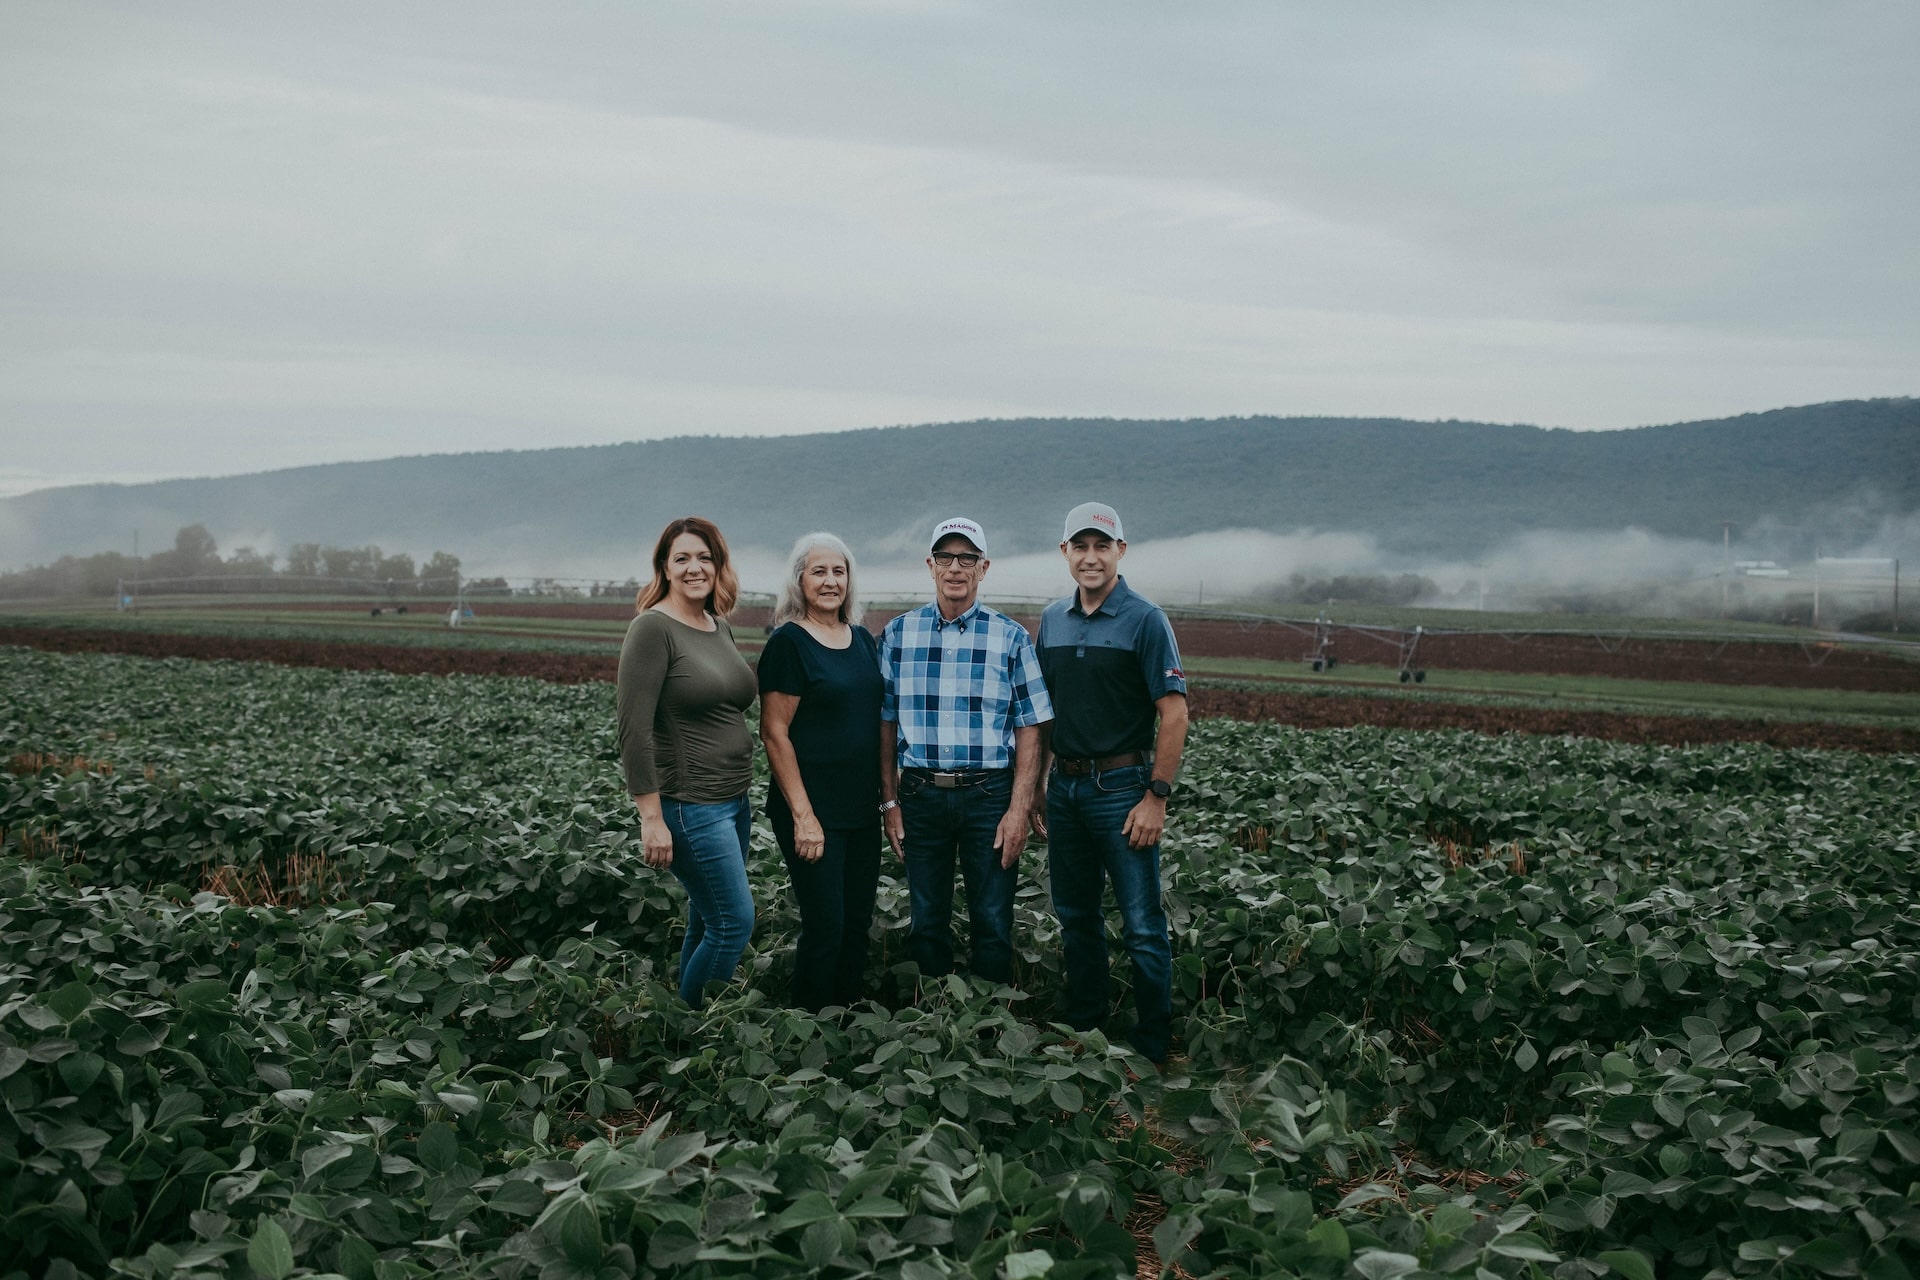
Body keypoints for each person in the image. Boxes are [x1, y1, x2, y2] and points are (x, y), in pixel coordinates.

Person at [1032, 502, 1189, 1063]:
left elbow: (1174, 713)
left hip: (1123, 789)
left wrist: (1157, 796)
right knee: (1076, 917)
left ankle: (1152, 1046)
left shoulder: (1146, 619)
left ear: (1121, 551)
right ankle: (1087, 1032)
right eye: (1081, 546)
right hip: (1067, 790)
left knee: (1143, 924)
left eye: (1103, 546)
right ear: (1065, 553)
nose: (1091, 557)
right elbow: (1043, 712)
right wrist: (1037, 786)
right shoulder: (1052, 619)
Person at [879, 516, 1053, 987]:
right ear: (930, 565)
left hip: (989, 795)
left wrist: (1018, 808)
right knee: (926, 921)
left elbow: (1032, 727)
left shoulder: (1011, 637)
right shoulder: (898, 635)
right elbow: (886, 724)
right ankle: (930, 1024)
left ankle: (990, 1034)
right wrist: (890, 802)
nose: (956, 567)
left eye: (967, 558)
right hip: (919, 793)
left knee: (993, 921)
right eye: (946, 557)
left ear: (984, 567)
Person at [616, 516, 759, 1007]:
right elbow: (633, 730)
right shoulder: (652, 628)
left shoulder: (716, 626)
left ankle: (680, 1019)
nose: (695, 567)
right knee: (734, 923)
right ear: (664, 567)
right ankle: (694, 1028)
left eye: (704, 557)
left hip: (734, 800)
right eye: (682, 558)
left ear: (718, 565)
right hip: (690, 806)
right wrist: (651, 818)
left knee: (707, 919)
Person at [758, 532, 884, 1011]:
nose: (830, 581)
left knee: (856, 924)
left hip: (859, 808)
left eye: (839, 571)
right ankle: (807, 1033)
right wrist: (803, 817)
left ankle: (847, 1024)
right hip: (812, 812)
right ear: (799, 581)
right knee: (826, 925)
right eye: (819, 572)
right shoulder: (788, 644)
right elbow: (775, 733)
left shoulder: (862, 642)